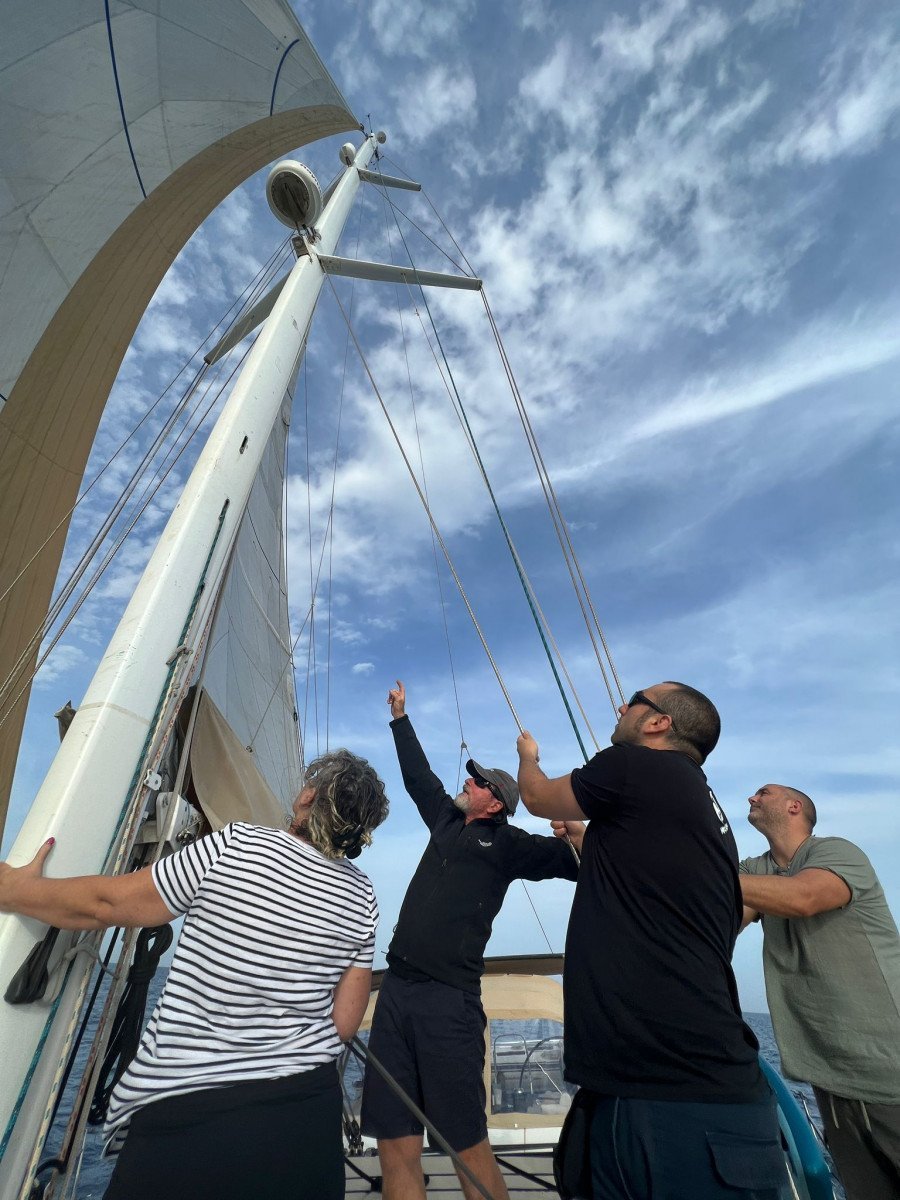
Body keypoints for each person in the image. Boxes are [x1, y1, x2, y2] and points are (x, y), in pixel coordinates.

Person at [0, 749, 389, 1200]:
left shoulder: (237, 845)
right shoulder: (362, 894)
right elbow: (343, 1023)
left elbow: (107, 904)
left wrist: (16, 888)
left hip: (192, 1123)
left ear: (308, 795)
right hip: (306, 1124)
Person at [515, 682, 787, 1200]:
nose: (621, 705)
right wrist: (580, 834)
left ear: (658, 723)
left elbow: (534, 796)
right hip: (702, 1090)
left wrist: (529, 756)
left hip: (666, 1095)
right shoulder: (699, 807)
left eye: (634, 699)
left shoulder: (635, 766)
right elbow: (642, 863)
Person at [360, 680, 579, 1200]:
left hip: (447, 1001)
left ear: (497, 802)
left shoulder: (508, 845)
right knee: (395, 1141)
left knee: (465, 1146)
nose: (468, 779)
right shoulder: (444, 819)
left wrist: (575, 833)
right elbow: (418, 777)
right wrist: (400, 719)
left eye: (477, 779)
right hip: (396, 995)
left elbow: (578, 865)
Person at [739, 782, 900, 1200]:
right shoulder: (755, 871)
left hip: (891, 1072)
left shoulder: (836, 852)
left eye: (763, 792)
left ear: (795, 807)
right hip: (834, 1085)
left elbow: (803, 897)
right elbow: (712, 903)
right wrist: (592, 840)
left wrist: (704, 875)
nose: (751, 798)